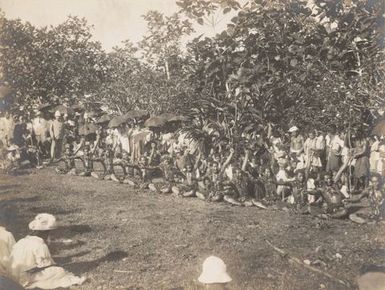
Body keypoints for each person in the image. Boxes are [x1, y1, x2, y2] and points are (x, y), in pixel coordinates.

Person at [9, 214, 86, 289]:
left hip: (12, 276)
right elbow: (45, 265)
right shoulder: (40, 244)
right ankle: (33, 284)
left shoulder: (22, 241)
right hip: (24, 278)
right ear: (44, 232)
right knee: (59, 271)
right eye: (48, 232)